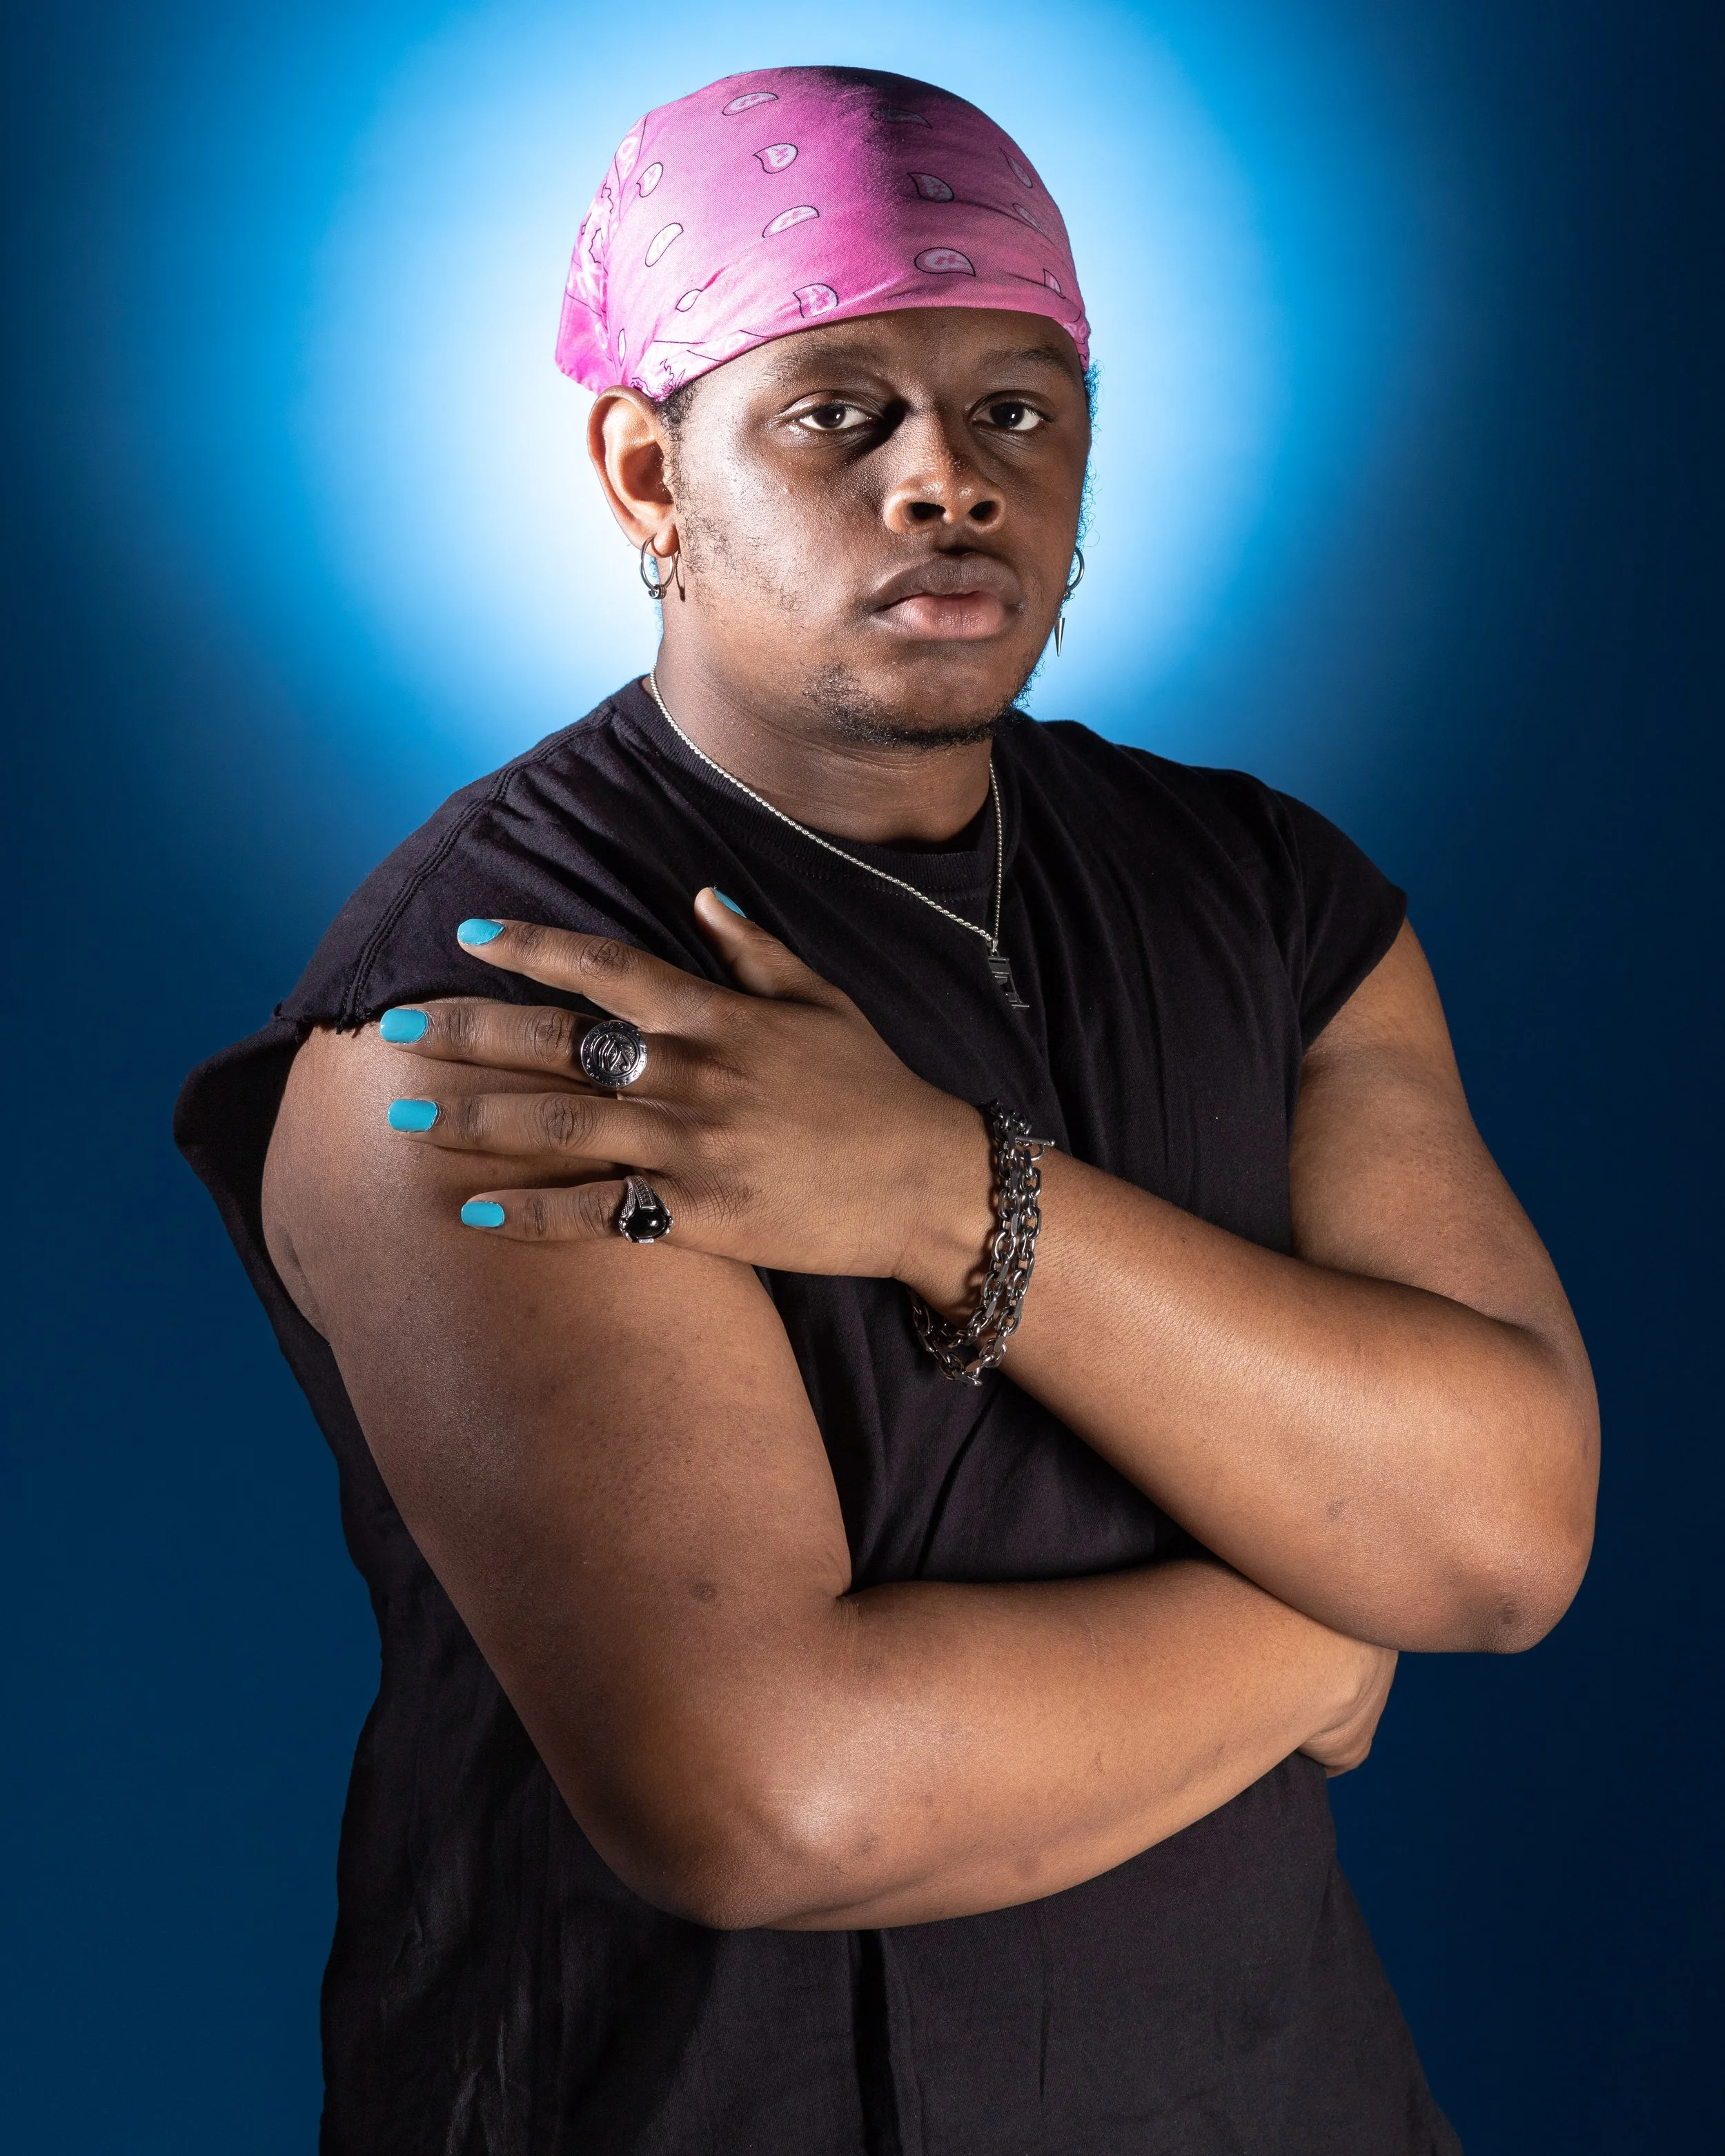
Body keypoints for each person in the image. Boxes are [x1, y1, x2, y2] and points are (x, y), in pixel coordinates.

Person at [176, 64, 1597, 2155]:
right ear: (649, 475)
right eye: (837, 410)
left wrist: (939, 1190)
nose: (948, 478)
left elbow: (1498, 1538)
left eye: (1017, 408)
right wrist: (1322, 1622)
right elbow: (773, 1793)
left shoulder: (1271, 901)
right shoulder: (483, 1009)